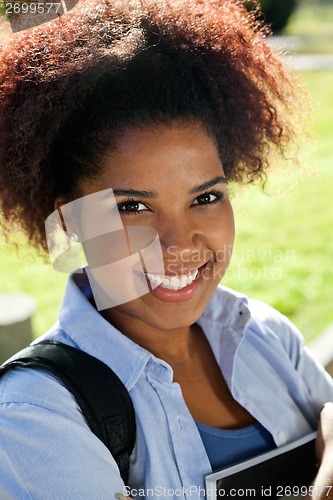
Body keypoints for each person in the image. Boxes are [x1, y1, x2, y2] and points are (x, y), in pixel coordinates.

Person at [0, 0, 332, 498]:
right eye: (132, 207)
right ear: (69, 220)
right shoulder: (36, 416)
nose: (179, 244)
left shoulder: (263, 335)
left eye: (205, 197)